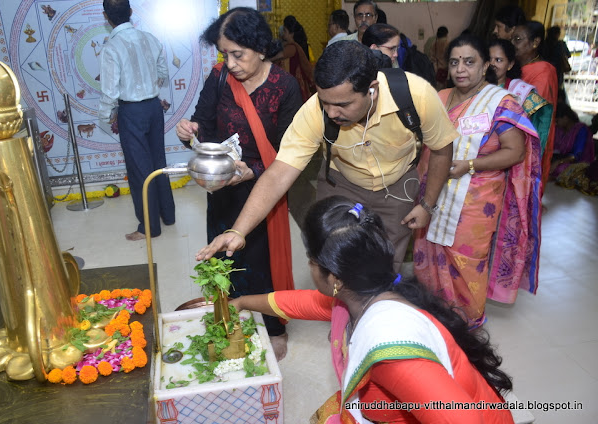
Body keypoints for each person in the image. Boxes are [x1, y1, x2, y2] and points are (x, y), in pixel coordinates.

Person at [230, 196, 515, 423]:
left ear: (335, 279)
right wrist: (242, 303)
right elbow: (301, 302)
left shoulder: (390, 353)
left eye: (311, 260)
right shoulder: (364, 295)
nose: (309, 267)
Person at [197, 40, 456, 276]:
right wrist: (238, 230)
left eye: (343, 104)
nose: (331, 113)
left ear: (372, 89)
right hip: (341, 184)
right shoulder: (315, 110)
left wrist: (427, 204)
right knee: (333, 263)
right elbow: (279, 173)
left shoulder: (416, 96)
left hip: (398, 189)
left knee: (384, 265)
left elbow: (442, 150)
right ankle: (341, 321)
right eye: (325, 102)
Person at [174, 7, 302, 360]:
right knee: (223, 259)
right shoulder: (218, 79)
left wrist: (256, 169)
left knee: (262, 263)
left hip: (265, 189)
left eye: (238, 54)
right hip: (223, 190)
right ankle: (229, 316)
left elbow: (291, 150)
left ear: (260, 48)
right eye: (224, 54)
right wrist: (189, 133)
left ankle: (274, 327)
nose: (230, 63)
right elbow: (204, 128)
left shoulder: (284, 86)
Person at [414, 34, 542, 329]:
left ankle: (466, 323)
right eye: (455, 62)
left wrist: (471, 165)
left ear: (485, 65)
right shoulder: (441, 97)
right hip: (435, 192)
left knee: (466, 260)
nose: (461, 69)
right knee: (430, 252)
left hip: (476, 198)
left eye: (469, 62)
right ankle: (435, 316)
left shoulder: (500, 102)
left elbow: (515, 151)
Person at [98, 0, 175, 241]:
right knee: (158, 162)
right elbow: (163, 72)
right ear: (130, 12)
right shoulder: (149, 38)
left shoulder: (112, 48)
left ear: (106, 17)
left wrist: (105, 115)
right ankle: (168, 215)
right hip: (153, 108)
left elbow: (110, 92)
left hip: (131, 112)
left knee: (140, 170)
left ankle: (149, 228)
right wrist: (149, 88)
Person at [512, 20, 558, 189]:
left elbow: (535, 116)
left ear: (535, 42)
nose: (513, 44)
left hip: (529, 142)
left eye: (517, 39)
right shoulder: (516, 68)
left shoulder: (542, 71)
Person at [489, 38, 553, 154]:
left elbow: (541, 118)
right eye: (489, 59)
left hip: (508, 156)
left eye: (498, 60)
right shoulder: (475, 88)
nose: (492, 64)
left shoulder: (520, 91)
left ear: (510, 64)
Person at [272, 16, 315, 101]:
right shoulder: (291, 45)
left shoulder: (292, 47)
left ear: (291, 33)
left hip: (293, 87)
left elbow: (277, 57)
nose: (282, 33)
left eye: (284, 31)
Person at [550, 103, 595, 179]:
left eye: (557, 121)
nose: (556, 124)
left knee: (560, 169)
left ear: (566, 118)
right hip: (560, 158)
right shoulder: (559, 130)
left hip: (578, 162)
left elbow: (576, 155)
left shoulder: (580, 130)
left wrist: (559, 162)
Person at [543, 26, 571, 99]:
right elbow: (568, 55)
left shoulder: (544, 44)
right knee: (556, 91)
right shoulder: (561, 44)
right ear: (557, 34)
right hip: (557, 71)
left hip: (545, 70)